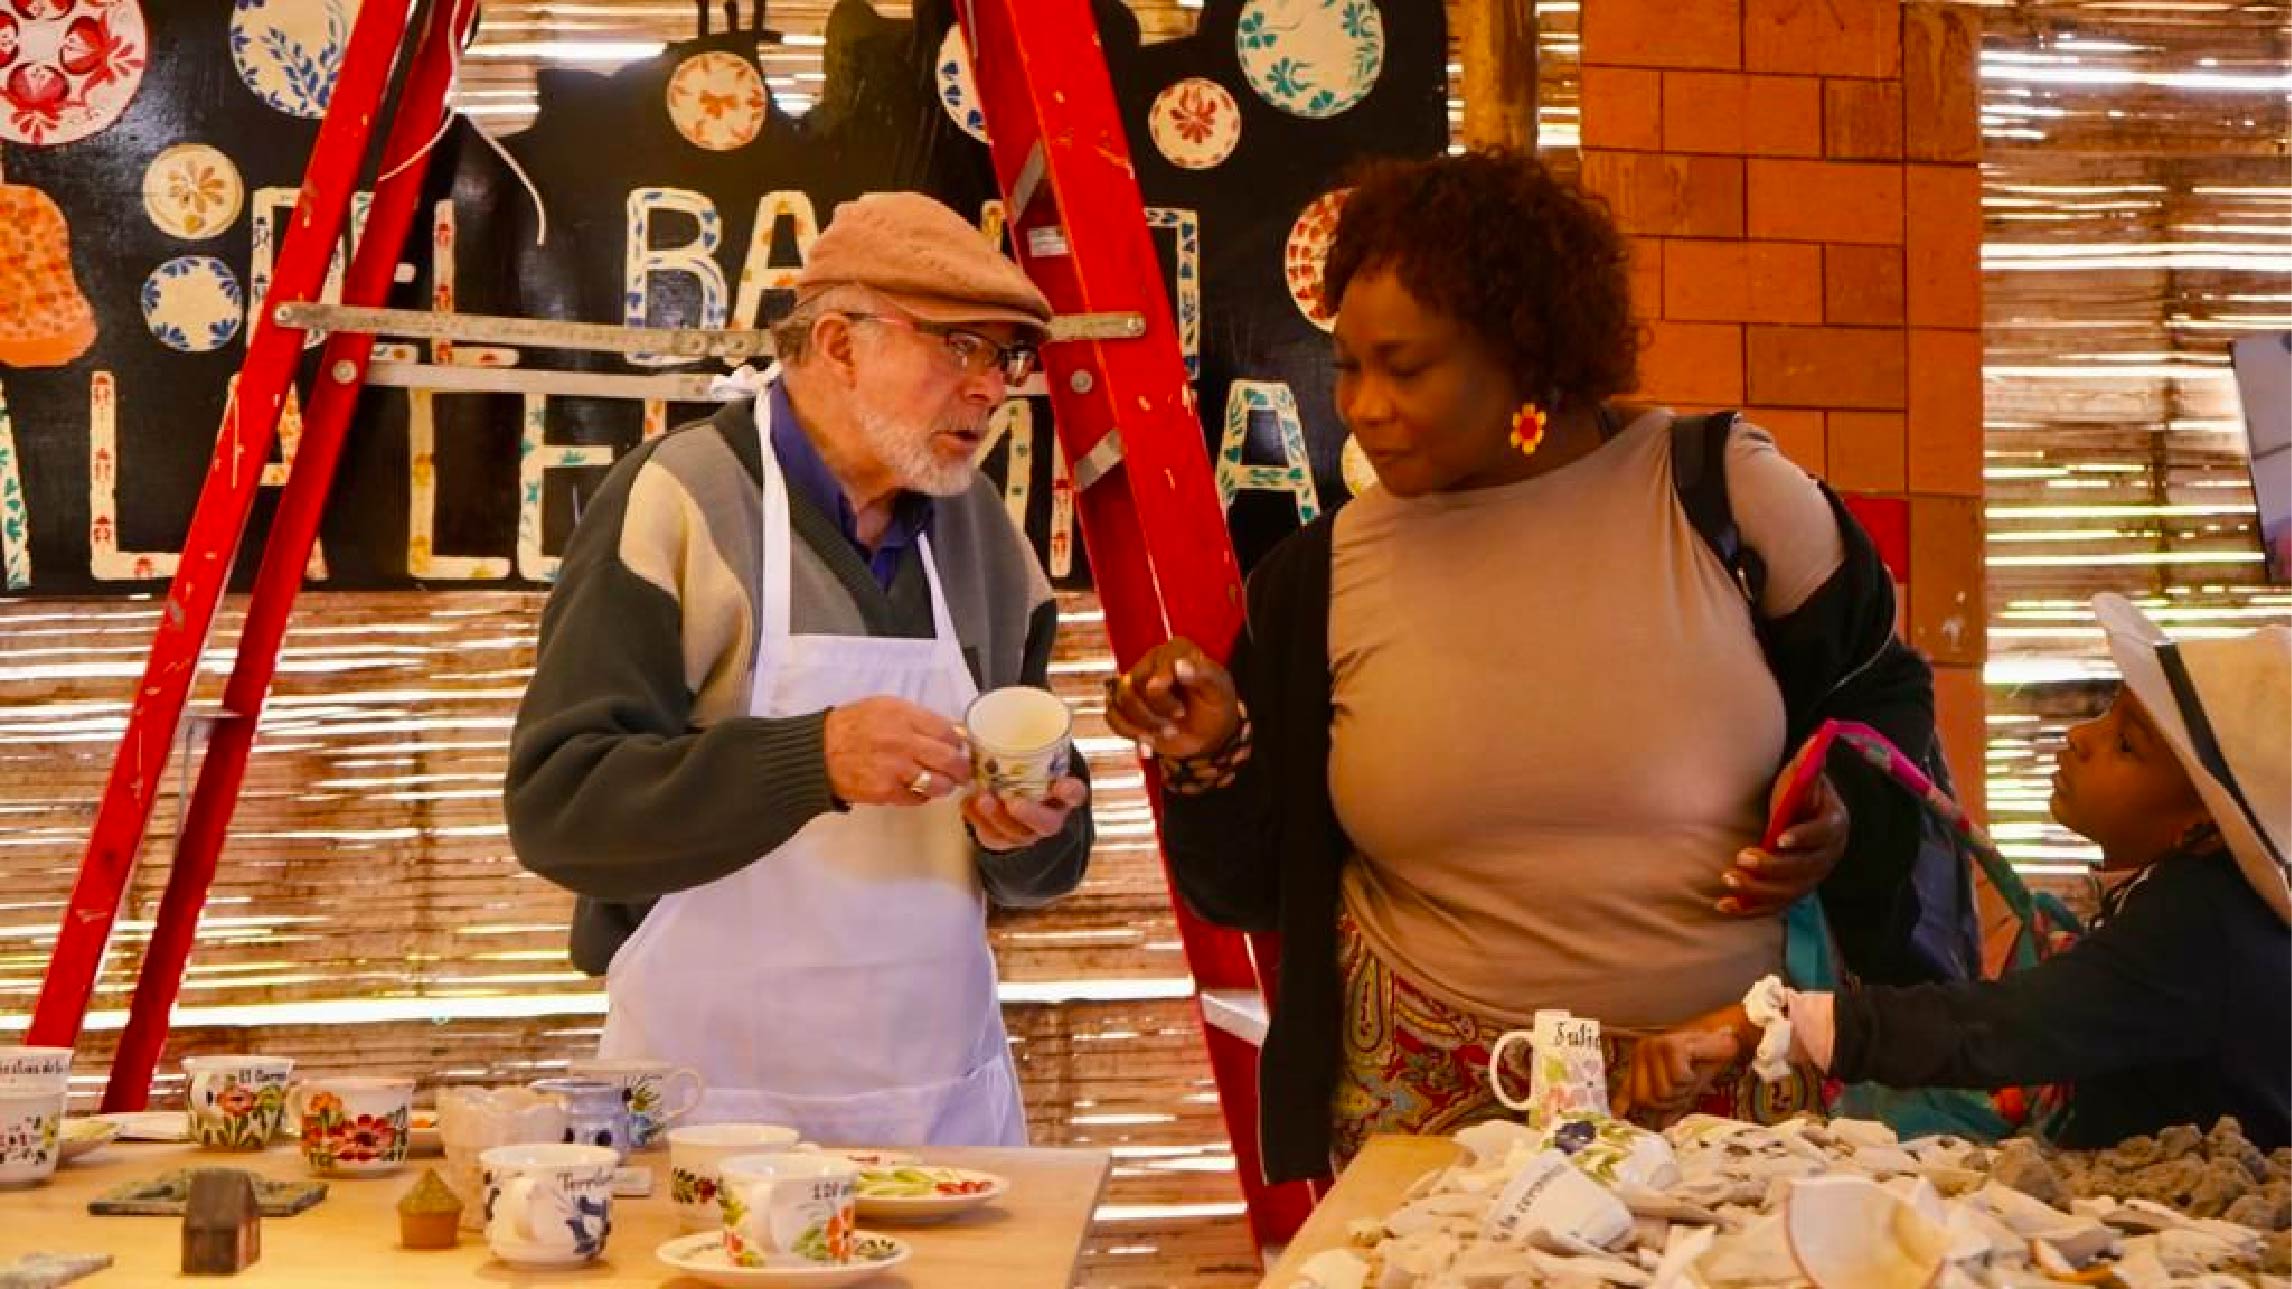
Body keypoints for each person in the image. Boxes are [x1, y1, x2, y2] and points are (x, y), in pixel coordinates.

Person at [1103, 147, 1941, 1183]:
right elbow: (1245, 888)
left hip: (1743, 1114)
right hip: (1434, 1133)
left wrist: (1843, 813)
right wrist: (1215, 748)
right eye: (1348, 366)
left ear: (1529, 354)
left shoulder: (1724, 498)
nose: (1362, 404)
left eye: (1404, 367)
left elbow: (1883, 704)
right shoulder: (1317, 579)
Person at [505, 192, 1092, 1146]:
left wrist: (1030, 833)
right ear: (840, 341)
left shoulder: (985, 536)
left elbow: (1040, 870)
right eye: (961, 347)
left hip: (941, 1118)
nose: (993, 388)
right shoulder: (680, 500)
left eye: (1009, 358)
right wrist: (810, 760)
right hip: (711, 1119)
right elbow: (560, 810)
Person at [1621, 596, 2291, 1151]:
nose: (2079, 737)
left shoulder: (2199, 922)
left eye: (2126, 745)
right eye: (2108, 713)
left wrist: (1768, 1021)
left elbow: (2005, 1027)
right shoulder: (2200, 902)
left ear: (2202, 827)